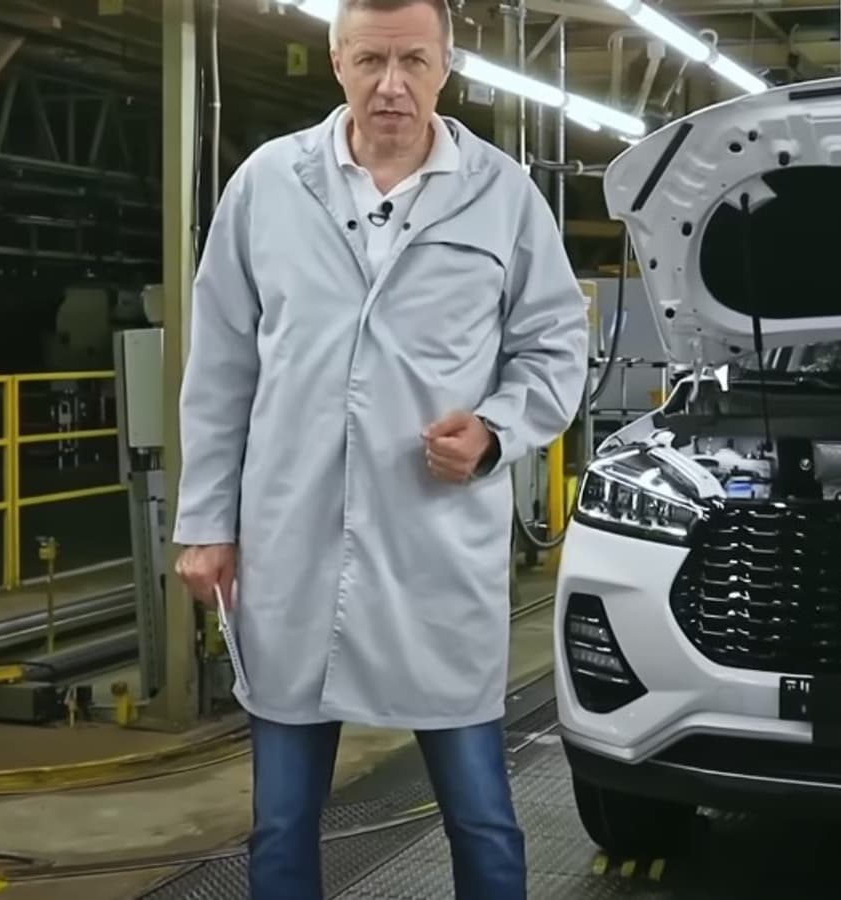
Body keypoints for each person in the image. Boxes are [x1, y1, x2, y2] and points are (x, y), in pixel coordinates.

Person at [168, 0, 590, 894]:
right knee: (282, 822)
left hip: (432, 546)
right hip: (293, 542)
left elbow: (556, 346)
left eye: (412, 62)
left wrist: (495, 430)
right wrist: (205, 522)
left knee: (481, 816)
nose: (391, 85)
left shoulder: (503, 194)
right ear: (336, 61)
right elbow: (220, 367)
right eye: (369, 61)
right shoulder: (268, 185)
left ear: (445, 67)